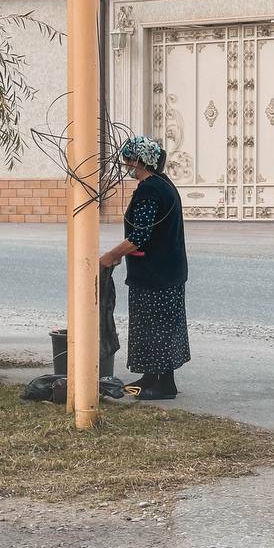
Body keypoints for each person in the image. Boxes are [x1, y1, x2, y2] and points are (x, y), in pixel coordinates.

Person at [99, 135, 189, 400]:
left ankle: (165, 385)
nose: (125, 165)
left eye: (128, 160)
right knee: (156, 325)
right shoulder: (164, 184)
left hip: (156, 273)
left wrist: (111, 255)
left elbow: (140, 236)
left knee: (157, 327)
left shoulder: (150, 190)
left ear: (139, 161)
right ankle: (151, 377)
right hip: (167, 270)